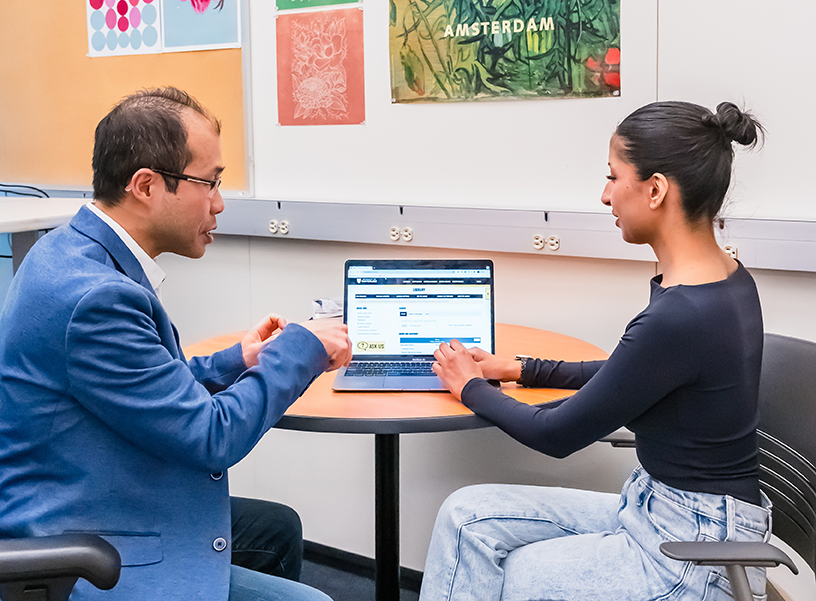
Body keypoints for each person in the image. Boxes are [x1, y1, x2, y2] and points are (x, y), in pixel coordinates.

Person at [0, 87, 352, 600]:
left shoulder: (71, 250)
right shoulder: (96, 298)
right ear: (146, 185)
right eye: (209, 182)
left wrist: (239, 361)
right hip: (89, 547)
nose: (220, 203)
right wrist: (300, 348)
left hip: (93, 490)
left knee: (275, 529)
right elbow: (213, 437)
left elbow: (143, 383)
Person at [420, 101, 770, 601]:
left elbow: (556, 434)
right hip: (664, 510)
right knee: (466, 517)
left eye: (613, 177)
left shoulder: (680, 314)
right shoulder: (725, 279)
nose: (605, 196)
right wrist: (520, 368)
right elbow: (634, 371)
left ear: (655, 190)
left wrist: (468, 385)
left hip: (694, 552)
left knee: (510, 576)